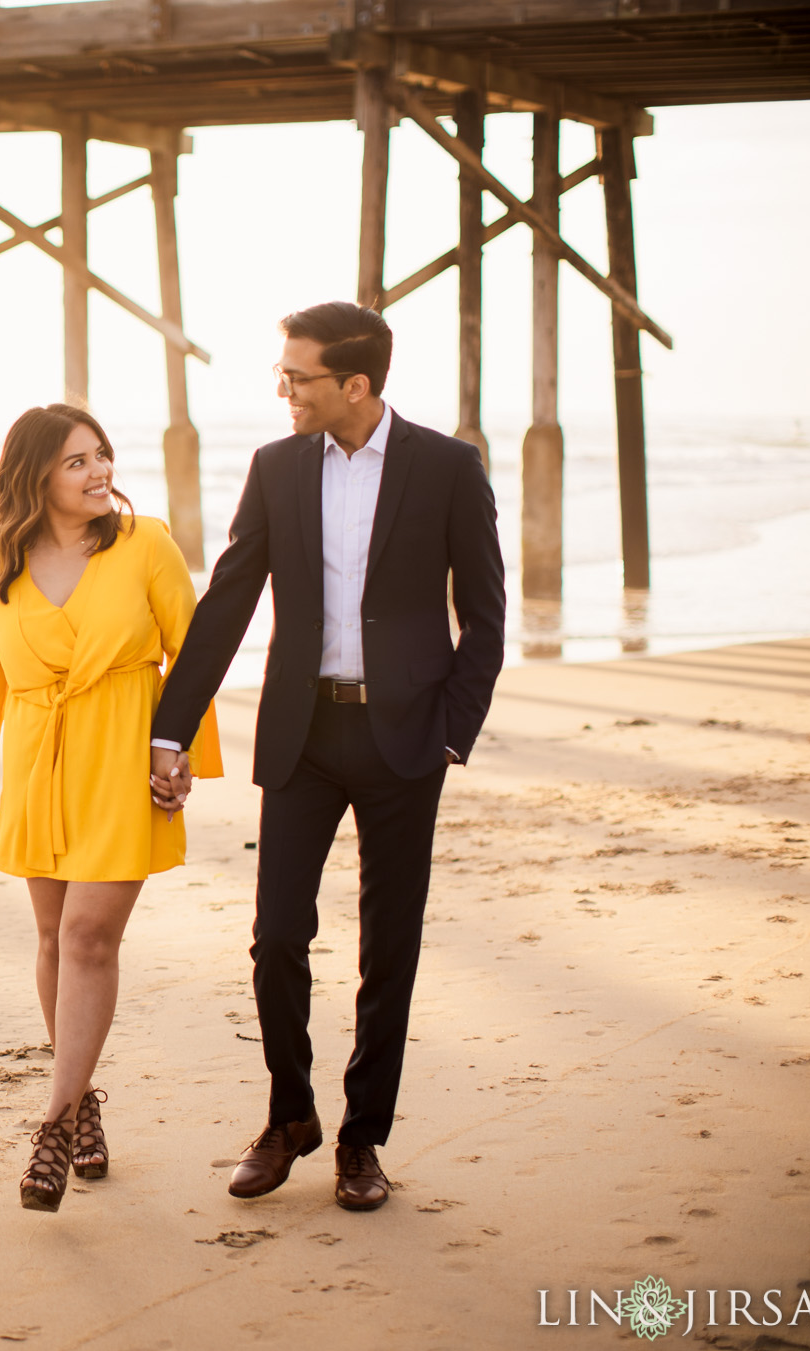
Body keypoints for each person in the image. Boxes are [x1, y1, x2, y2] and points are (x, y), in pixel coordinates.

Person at [149, 302, 505, 1212]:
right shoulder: (276, 468)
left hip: (405, 742)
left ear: (355, 383)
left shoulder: (448, 468)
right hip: (303, 736)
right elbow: (228, 601)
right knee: (277, 939)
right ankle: (289, 1114)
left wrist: (451, 733)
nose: (282, 391)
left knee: (391, 947)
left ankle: (361, 1138)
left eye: (298, 377)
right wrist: (169, 728)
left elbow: (488, 618)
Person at [0, 403, 222, 1213]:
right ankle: (87, 1100)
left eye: (102, 454)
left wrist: (182, 754)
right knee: (50, 939)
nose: (101, 471)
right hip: (38, 756)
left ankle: (55, 1126)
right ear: (35, 475)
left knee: (87, 935)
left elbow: (193, 647)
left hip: (124, 754)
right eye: (77, 461)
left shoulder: (146, 543)